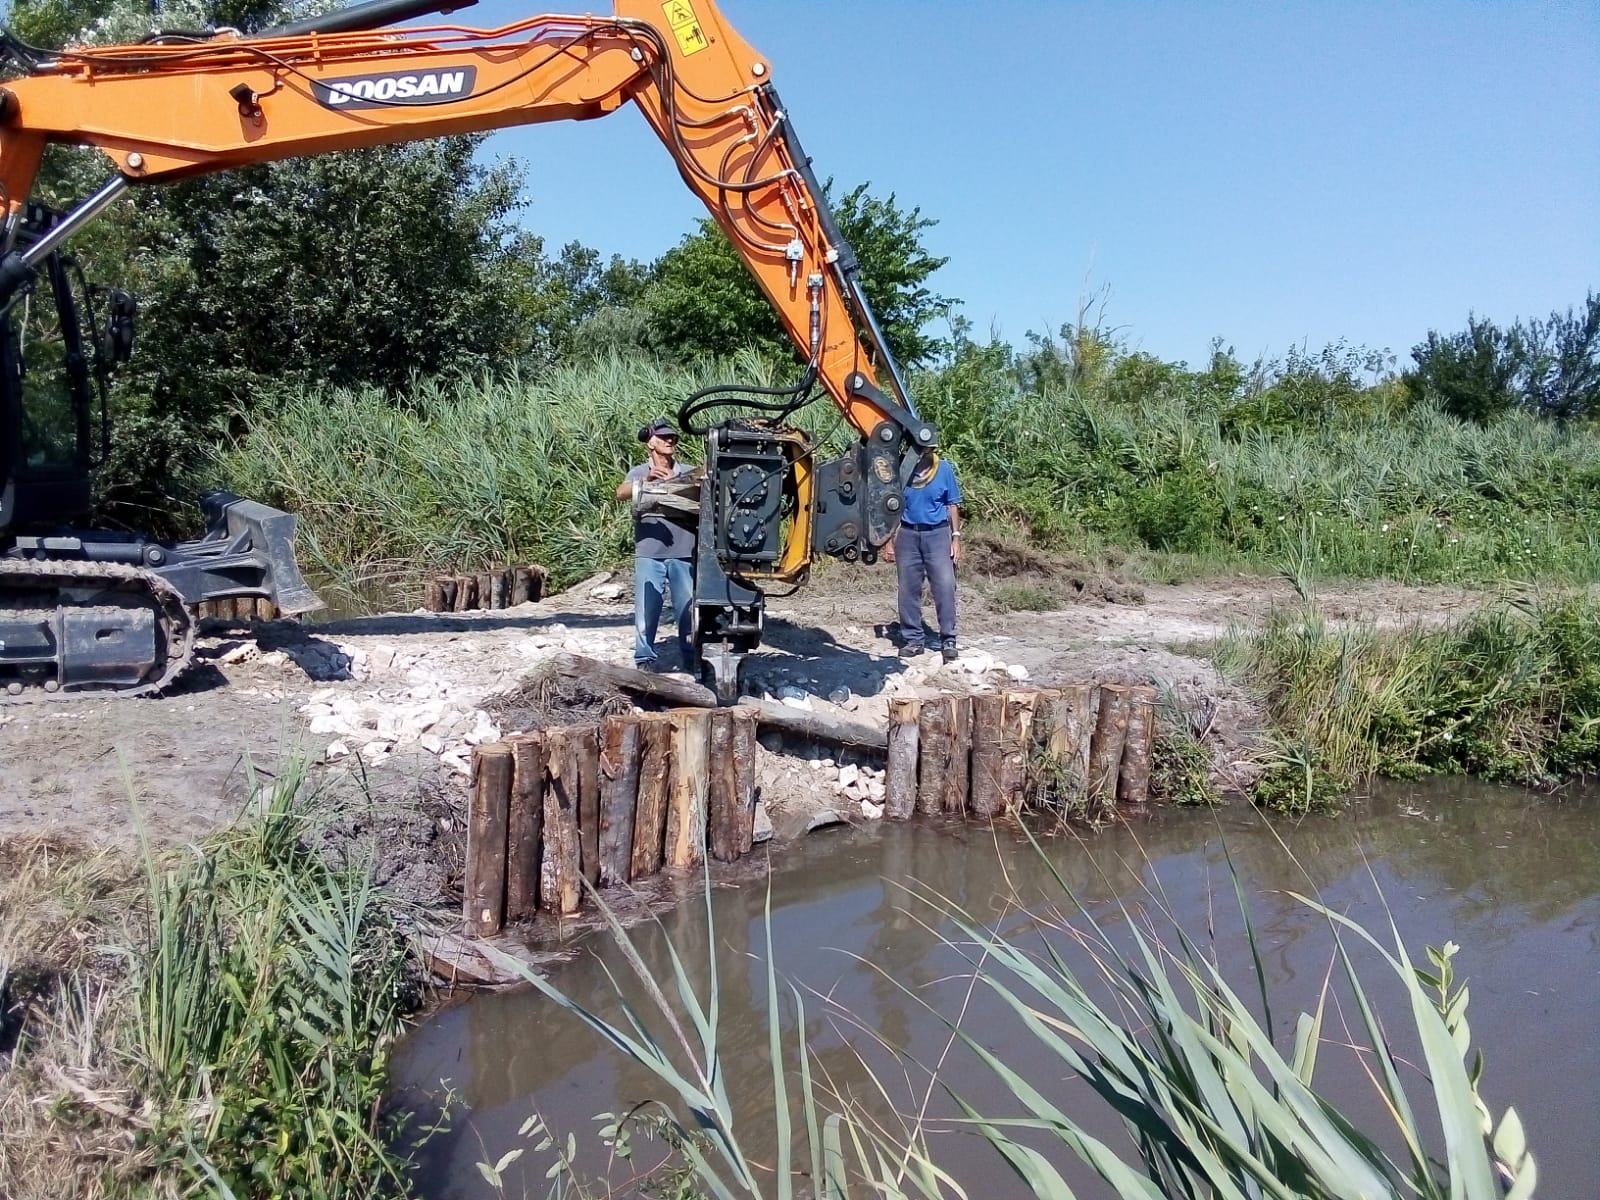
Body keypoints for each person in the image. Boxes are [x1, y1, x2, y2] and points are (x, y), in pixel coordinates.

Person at [616, 417, 697, 669]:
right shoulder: (639, 472)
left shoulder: (688, 471)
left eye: (672, 437)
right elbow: (620, 493)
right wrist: (647, 480)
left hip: (684, 551)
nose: (670, 440)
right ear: (650, 442)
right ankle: (644, 659)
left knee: (688, 609)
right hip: (650, 552)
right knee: (647, 608)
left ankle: (691, 658)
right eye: (663, 437)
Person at [884, 447, 962, 662]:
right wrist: (889, 542)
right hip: (908, 534)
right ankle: (914, 640)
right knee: (908, 588)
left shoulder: (944, 469)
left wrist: (955, 537)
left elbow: (952, 504)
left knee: (944, 586)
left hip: (937, 534)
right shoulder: (902, 470)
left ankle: (948, 639)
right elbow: (893, 507)